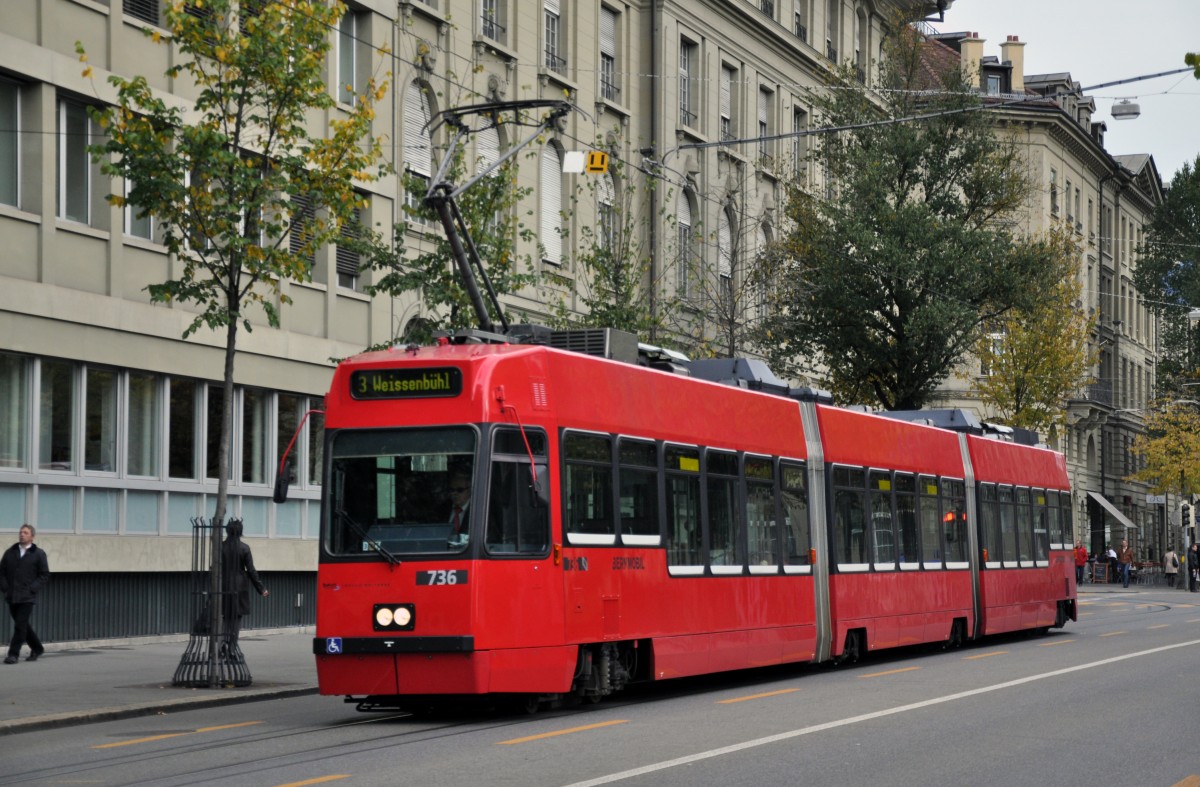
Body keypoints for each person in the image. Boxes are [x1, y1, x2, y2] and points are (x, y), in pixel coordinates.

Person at [1, 524, 50, 664]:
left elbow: (44, 575)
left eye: (25, 532)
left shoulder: (38, 554)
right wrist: (5, 587)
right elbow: (2, 572)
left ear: (32, 537)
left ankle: (13, 654)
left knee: (19, 626)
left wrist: (32, 588)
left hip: (27, 596)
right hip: (12, 595)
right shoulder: (10, 552)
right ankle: (37, 647)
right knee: (22, 625)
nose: (22, 534)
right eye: (21, 532)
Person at [220, 519, 268, 655]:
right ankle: (232, 648)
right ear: (240, 531)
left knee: (226, 616)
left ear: (227, 531)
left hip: (223, 585)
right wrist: (261, 588)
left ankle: (223, 641)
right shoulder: (244, 548)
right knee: (236, 618)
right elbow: (251, 570)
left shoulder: (221, 547)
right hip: (240, 586)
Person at [446, 470, 472, 547]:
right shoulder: (441, 510)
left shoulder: (478, 511)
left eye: (460, 490)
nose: (454, 493)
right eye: (452, 490)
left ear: (469, 490)